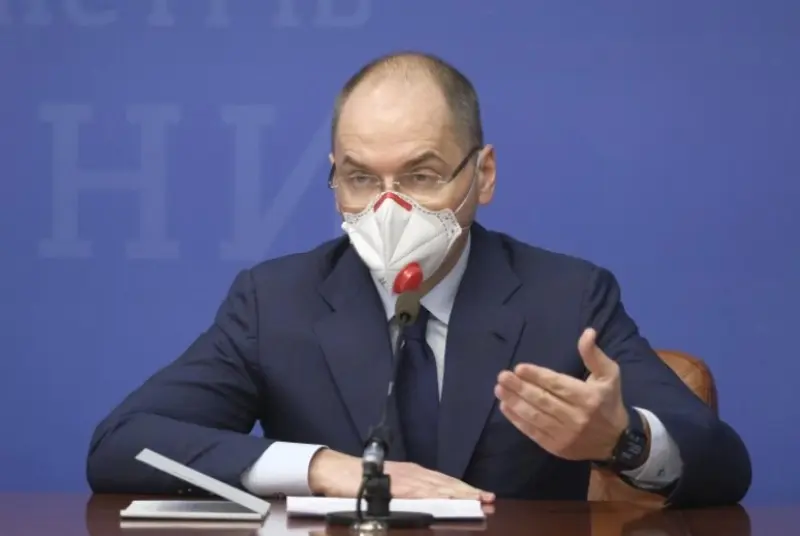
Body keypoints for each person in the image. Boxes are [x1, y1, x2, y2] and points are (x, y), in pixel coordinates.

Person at [86, 51, 751, 507]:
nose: (389, 208)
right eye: (359, 178)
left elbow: (724, 465)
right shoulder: (275, 302)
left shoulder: (567, 297)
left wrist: (623, 440)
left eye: (421, 176)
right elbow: (123, 444)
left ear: (482, 175)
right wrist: (323, 469)